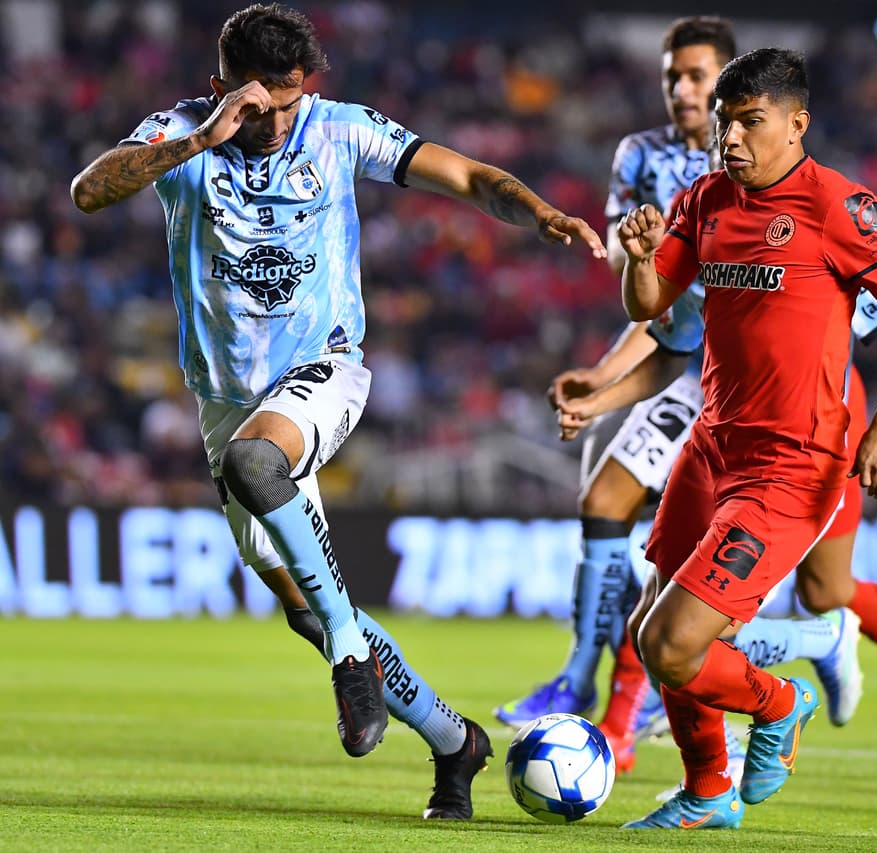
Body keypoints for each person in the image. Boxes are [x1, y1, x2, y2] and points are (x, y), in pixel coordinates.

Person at [69, 2, 605, 820]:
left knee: (261, 468)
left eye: (290, 99)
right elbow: (88, 191)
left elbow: (464, 174)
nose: (279, 119)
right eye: (260, 103)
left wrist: (537, 212)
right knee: (308, 608)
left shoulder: (338, 129)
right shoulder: (179, 135)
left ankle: (352, 654)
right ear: (221, 87)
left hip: (325, 370)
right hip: (228, 398)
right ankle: (454, 742)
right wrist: (207, 137)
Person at [494, 17, 862, 778]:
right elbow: (659, 306)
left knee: (734, 601)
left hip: (772, 401)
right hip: (693, 368)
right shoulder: (654, 164)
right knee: (631, 546)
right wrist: (604, 380)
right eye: (675, 77)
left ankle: (789, 655)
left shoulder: (801, 191)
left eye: (701, 78)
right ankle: (621, 702)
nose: (685, 91)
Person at [614, 47, 877, 830]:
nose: (729, 138)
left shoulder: (838, 205)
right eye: (725, 123)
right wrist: (637, 261)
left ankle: (781, 700)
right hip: (712, 442)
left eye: (749, 123)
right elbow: (648, 303)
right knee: (646, 629)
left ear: (797, 124)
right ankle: (706, 795)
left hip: (790, 464)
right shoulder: (703, 199)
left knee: (672, 644)